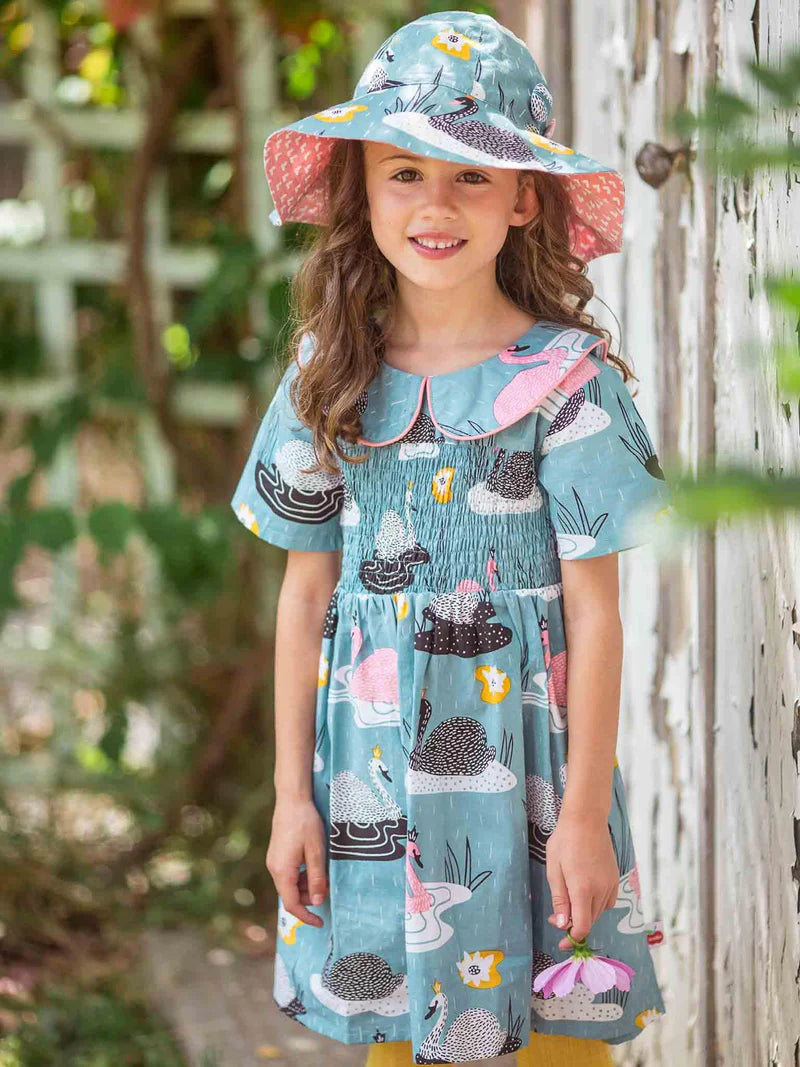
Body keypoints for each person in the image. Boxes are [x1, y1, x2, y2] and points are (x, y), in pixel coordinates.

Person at [230, 11, 671, 1066]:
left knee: (550, 1039)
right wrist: (292, 798)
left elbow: (596, 615)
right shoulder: (327, 376)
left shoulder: (567, 384)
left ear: (523, 198)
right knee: (402, 1031)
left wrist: (582, 816)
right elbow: (304, 597)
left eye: (471, 175)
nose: (435, 205)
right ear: (362, 190)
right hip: (369, 775)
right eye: (404, 173)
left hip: (531, 781)